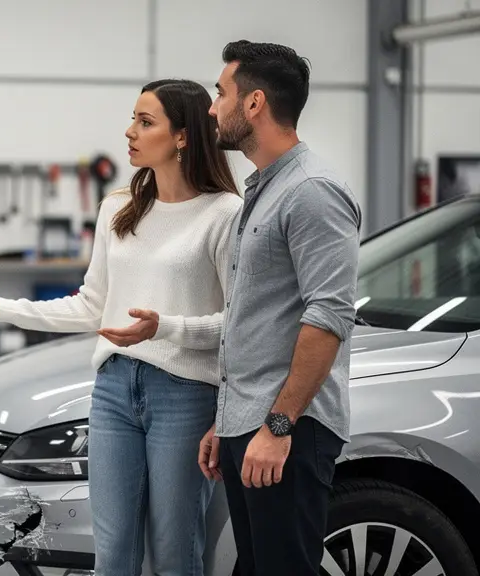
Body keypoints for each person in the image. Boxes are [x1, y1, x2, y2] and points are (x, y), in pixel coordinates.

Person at [0, 79, 242, 575]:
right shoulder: (119, 207)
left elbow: (239, 323)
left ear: (182, 136)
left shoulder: (224, 214)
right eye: (132, 119)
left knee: (176, 551)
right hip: (114, 390)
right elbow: (92, 306)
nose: (129, 132)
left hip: (185, 395)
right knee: (113, 551)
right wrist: (3, 309)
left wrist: (167, 328)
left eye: (145, 121)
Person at [199, 40, 361, 575]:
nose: (212, 107)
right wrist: (227, 420)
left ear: (254, 104)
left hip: (289, 429)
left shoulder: (312, 191)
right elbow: (256, 319)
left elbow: (328, 316)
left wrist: (279, 426)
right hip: (251, 422)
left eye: (221, 93)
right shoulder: (264, 189)